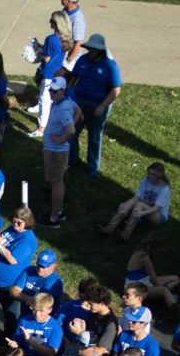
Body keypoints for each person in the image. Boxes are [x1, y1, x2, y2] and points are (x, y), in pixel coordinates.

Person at [68, 33, 120, 178]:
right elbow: (73, 78)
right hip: (79, 103)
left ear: (100, 51)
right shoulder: (83, 60)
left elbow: (115, 90)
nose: (90, 52)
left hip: (97, 105)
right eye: (89, 48)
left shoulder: (110, 66)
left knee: (94, 137)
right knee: (72, 132)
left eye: (93, 49)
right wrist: (70, 95)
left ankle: (93, 167)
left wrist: (102, 106)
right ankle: (73, 159)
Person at [40, 77, 77, 227]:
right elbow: (78, 111)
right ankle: (59, 208)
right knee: (59, 179)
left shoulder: (62, 108)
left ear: (62, 90)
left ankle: (55, 217)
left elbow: (71, 129)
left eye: (54, 91)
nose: (50, 93)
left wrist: (62, 139)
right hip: (55, 150)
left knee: (56, 183)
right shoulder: (64, 101)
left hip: (55, 151)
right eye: (50, 90)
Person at [101, 162, 171, 240]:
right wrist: (126, 207)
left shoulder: (164, 188)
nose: (149, 176)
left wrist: (141, 214)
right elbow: (136, 197)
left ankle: (125, 235)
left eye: (153, 174)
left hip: (158, 216)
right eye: (149, 173)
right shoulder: (146, 180)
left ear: (159, 176)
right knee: (123, 206)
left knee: (139, 205)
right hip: (143, 208)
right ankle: (109, 228)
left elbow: (156, 208)